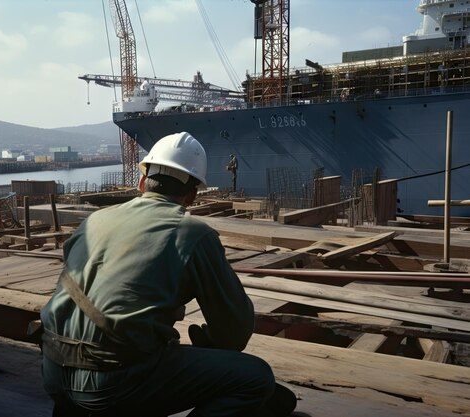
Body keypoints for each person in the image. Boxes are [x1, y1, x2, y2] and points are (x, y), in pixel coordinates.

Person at [39, 132, 296, 417]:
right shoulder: (193, 234)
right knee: (254, 377)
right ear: (193, 194)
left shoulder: (94, 220)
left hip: (52, 373)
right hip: (108, 385)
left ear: (141, 182)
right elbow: (234, 327)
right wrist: (212, 346)